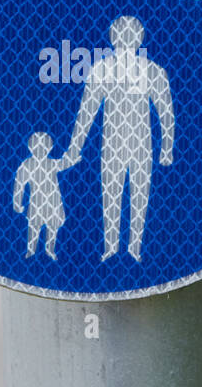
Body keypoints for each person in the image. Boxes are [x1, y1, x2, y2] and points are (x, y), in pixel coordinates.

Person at [60, 16, 174, 261]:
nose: (125, 39)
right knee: (110, 194)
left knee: (140, 194)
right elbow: (87, 111)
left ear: (139, 39)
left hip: (142, 143)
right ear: (113, 39)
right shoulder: (102, 69)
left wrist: (167, 148)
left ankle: (135, 248)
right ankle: (110, 247)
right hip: (111, 142)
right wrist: (74, 147)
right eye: (121, 35)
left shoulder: (152, 70)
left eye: (131, 35)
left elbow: (166, 111)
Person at [13, 131, 67, 260]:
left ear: (50, 148)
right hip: (37, 201)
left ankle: (50, 250)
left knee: (52, 227)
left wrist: (71, 158)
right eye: (37, 146)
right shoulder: (27, 164)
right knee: (34, 226)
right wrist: (17, 202)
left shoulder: (51, 163)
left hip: (53, 201)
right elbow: (19, 184)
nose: (40, 150)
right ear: (30, 147)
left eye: (44, 147)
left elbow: (64, 164)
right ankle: (31, 251)